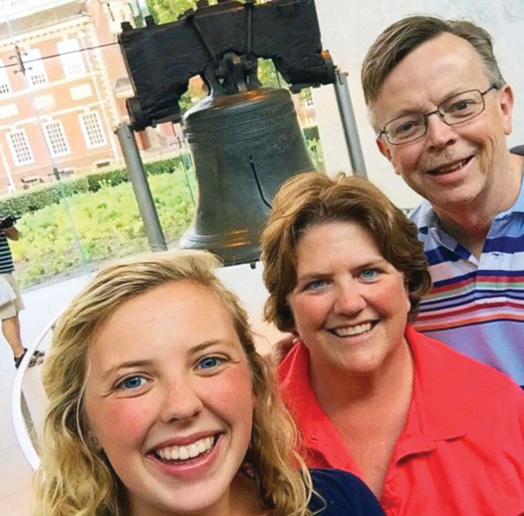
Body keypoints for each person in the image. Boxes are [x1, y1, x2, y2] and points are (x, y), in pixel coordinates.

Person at [33, 250, 385, 516]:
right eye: (133, 381)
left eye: (209, 362)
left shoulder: (341, 504)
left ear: (254, 383)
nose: (182, 405)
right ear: (83, 422)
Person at [260, 171, 524, 516]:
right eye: (317, 284)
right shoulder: (254, 428)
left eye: (368, 273)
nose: (349, 303)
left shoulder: (500, 411)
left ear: (407, 282)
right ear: (288, 308)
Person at [361, 16, 524, 386]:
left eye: (461, 106)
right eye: (407, 126)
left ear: (504, 108)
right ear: (388, 153)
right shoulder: (395, 268)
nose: (439, 136)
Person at [0, 214, 43, 369]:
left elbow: (15, 236)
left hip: (6, 270)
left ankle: (20, 350)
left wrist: (7, 226)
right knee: (7, 315)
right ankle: (19, 355)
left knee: (14, 312)